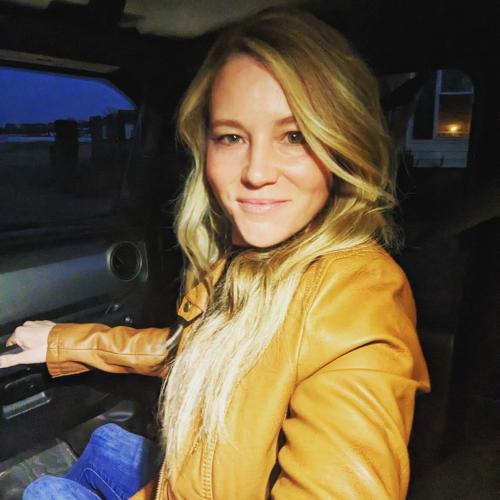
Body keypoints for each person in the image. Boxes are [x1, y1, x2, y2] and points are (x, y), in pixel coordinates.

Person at [0, 6, 430, 500]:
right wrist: (63, 343)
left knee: (46, 491)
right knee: (103, 445)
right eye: (231, 137)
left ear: (342, 145)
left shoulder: (359, 300)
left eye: (294, 136)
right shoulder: (253, 257)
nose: (256, 172)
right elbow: (193, 354)